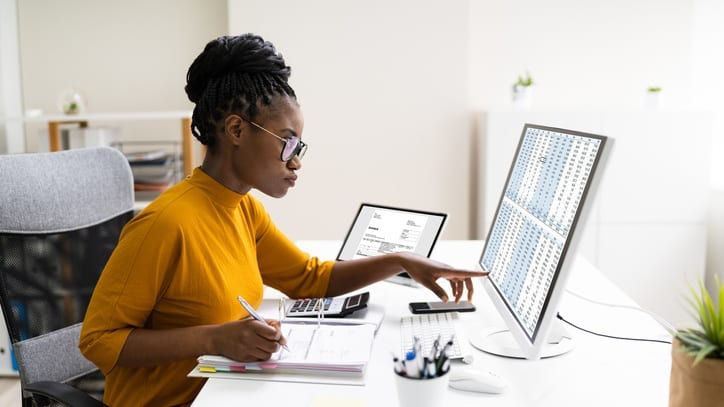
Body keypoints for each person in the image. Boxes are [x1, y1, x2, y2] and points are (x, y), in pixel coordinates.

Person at [79, 33, 486, 406]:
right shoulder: (165, 225)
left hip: (228, 393)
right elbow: (99, 341)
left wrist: (400, 260)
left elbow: (311, 280)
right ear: (236, 130)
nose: (296, 161)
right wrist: (214, 338)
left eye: (300, 146)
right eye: (288, 142)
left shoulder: (244, 209)